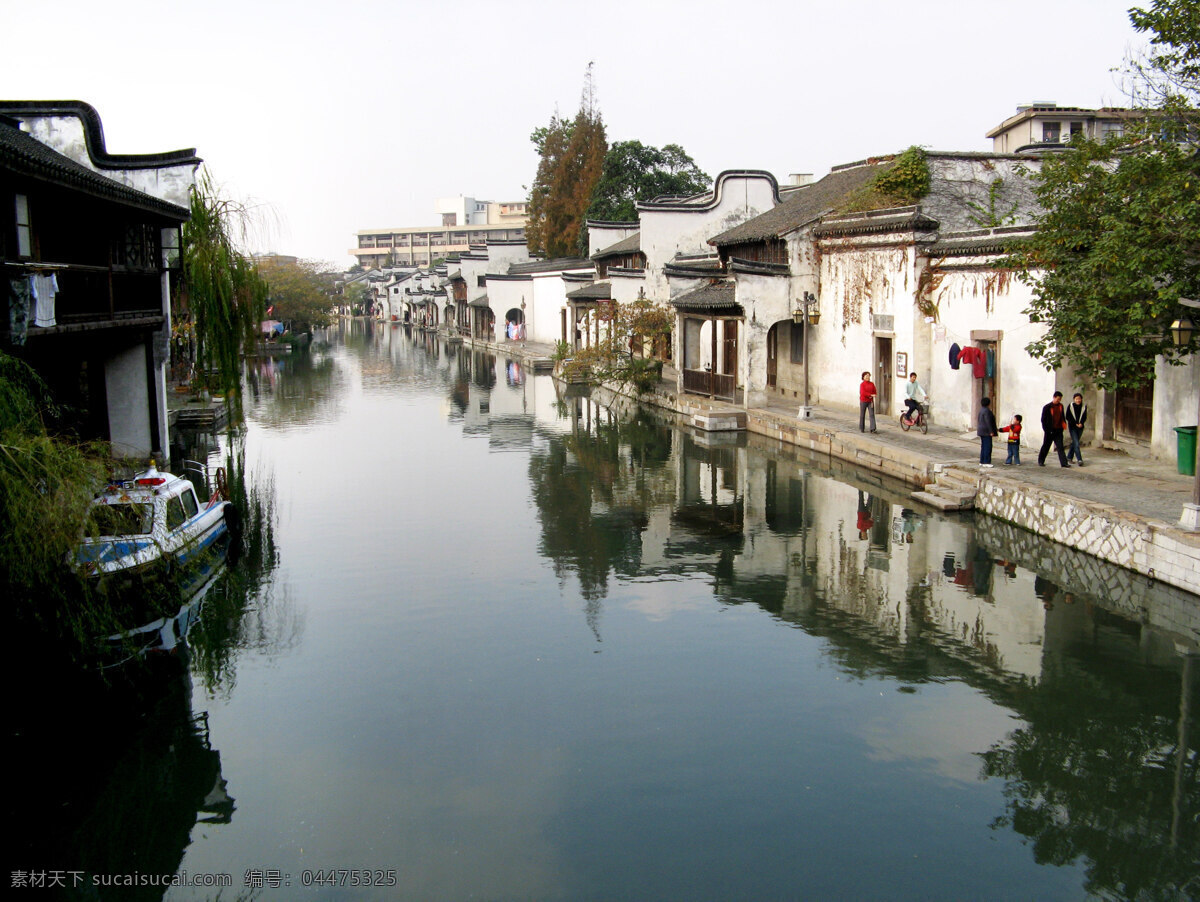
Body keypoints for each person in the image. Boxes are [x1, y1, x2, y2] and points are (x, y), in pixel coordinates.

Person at [1038, 390, 1069, 467]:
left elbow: (1062, 417)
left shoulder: (1061, 406)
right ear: (1054, 397)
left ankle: (1064, 463)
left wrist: (1063, 425)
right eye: (1058, 399)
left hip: (1058, 430)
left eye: (1060, 399)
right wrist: (1047, 430)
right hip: (1049, 430)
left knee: (1060, 447)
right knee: (1046, 446)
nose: (1059, 401)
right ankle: (1041, 460)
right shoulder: (1047, 407)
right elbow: (1043, 420)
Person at [1065, 392, 1087, 466]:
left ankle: (1069, 457)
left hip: (1080, 427)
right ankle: (1079, 459)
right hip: (1073, 427)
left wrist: (1081, 423)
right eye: (1077, 399)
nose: (1078, 400)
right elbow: (1068, 417)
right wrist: (1075, 424)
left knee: (1075, 443)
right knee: (1076, 443)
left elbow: (1084, 416)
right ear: (1074, 399)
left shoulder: (1084, 406)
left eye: (1079, 399)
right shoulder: (1070, 406)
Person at [977, 397, 998, 467]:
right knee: (987, 446)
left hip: (981, 430)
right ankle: (986, 462)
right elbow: (988, 421)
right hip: (986, 431)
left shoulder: (981, 410)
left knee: (983, 446)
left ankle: (982, 461)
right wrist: (991, 431)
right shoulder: (987, 411)